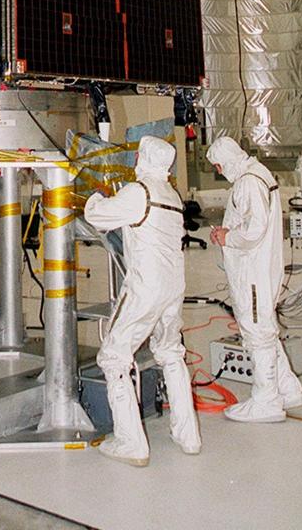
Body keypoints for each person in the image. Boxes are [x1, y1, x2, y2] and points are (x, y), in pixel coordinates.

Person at [84, 134, 201, 466]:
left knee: (113, 356)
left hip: (145, 288)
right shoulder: (171, 194)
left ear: (143, 158)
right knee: (171, 353)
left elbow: (97, 217)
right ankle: (188, 436)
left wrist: (95, 195)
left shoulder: (139, 192)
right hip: (173, 287)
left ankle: (130, 443)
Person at [207, 135, 302, 422]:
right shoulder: (257, 173)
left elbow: (254, 229)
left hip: (252, 270)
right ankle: (288, 388)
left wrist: (227, 236)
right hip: (262, 266)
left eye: (218, 166)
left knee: (256, 333)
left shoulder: (248, 182)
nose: (218, 172)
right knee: (265, 327)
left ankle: (266, 401)